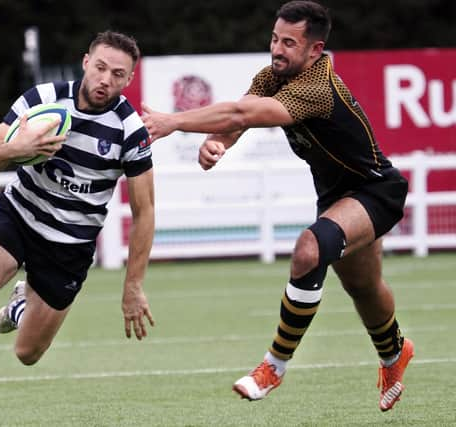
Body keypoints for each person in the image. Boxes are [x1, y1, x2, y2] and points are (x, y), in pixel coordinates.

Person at [142, 0, 413, 412]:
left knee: (308, 251)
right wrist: (220, 142)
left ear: (314, 51)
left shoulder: (316, 88)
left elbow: (241, 111)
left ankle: (274, 365)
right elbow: (241, 116)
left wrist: (174, 121)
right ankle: (396, 355)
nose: (277, 49)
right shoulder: (273, 75)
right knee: (363, 287)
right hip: (337, 197)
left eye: (289, 42)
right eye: (274, 38)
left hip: (375, 191)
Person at [0, 30, 155, 426]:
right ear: (86, 62)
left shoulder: (130, 131)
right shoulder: (41, 100)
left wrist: (133, 285)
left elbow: (144, 211)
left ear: (129, 80)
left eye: (118, 74)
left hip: (69, 245)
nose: (106, 79)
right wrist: (17, 151)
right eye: (101, 67)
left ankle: (20, 305)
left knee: (27, 353)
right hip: (18, 216)